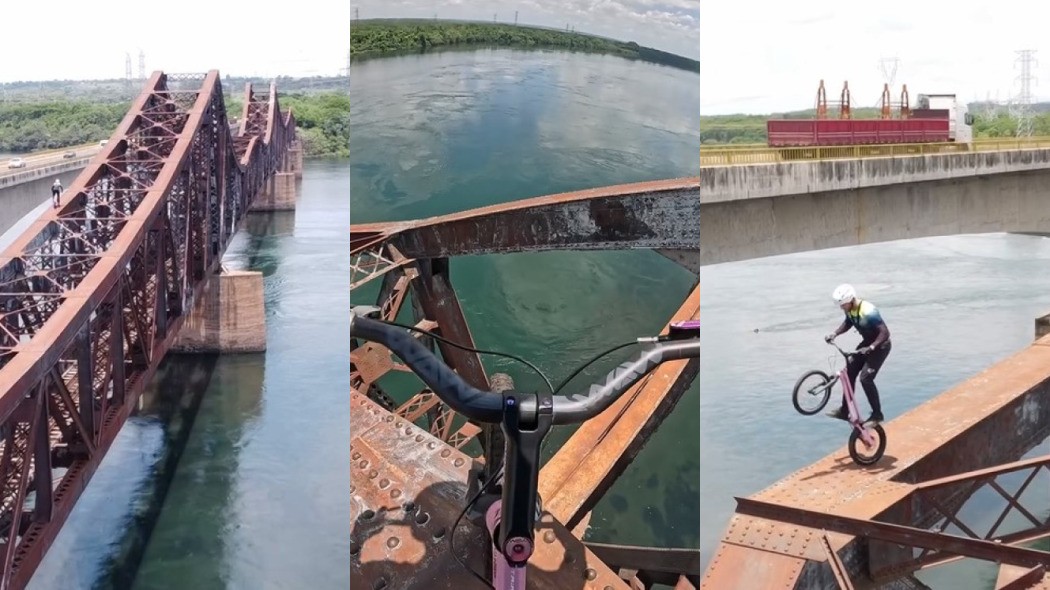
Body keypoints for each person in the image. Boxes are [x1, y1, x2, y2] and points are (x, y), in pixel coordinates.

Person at [824, 283, 890, 424]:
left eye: (843, 305)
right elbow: (848, 323)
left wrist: (871, 347)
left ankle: (877, 415)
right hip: (867, 344)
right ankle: (844, 410)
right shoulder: (850, 310)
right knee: (849, 371)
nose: (842, 308)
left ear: (851, 300)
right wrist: (834, 334)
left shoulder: (868, 311)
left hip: (881, 346)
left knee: (865, 378)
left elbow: (885, 332)